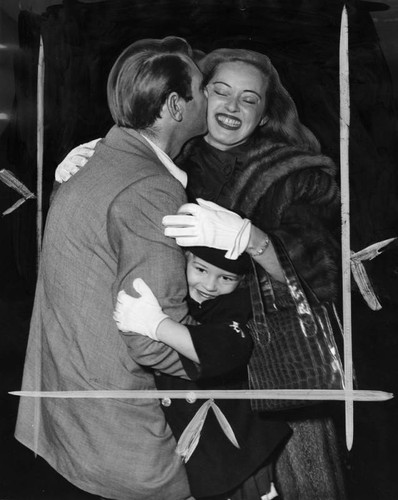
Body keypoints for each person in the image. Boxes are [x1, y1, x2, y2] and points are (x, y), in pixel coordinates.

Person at [56, 47, 346, 499]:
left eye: (249, 99)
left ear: (265, 111)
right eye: (220, 91)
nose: (232, 107)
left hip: (274, 375)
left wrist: (254, 239)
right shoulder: (164, 165)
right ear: (192, 98)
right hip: (185, 371)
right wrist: (93, 172)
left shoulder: (294, 176)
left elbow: (320, 282)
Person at [15, 36, 210, 500]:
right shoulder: (151, 188)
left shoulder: (95, 161)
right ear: (175, 106)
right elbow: (152, 341)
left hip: (65, 419)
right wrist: (234, 353)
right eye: (203, 89)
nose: (209, 97)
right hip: (121, 434)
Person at [113, 246, 291, 500]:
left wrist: (157, 325)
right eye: (200, 269)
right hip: (206, 449)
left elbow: (224, 349)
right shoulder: (179, 295)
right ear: (184, 260)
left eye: (226, 278)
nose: (209, 284)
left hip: (239, 447)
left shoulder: (235, 304)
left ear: (241, 280)